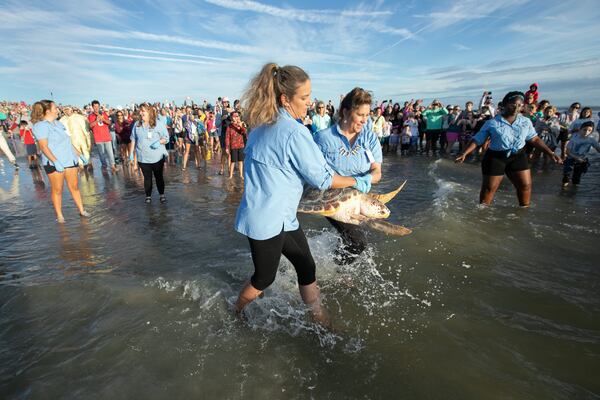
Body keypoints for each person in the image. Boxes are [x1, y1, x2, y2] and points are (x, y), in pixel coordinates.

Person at [233, 63, 364, 322]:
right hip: (267, 220)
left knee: (306, 265)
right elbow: (323, 178)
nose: (310, 102)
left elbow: (286, 173)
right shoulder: (294, 132)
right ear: (285, 99)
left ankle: (319, 318)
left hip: (279, 215)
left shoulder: (259, 128)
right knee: (264, 278)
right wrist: (359, 182)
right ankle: (235, 313)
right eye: (304, 97)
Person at [455, 91, 562, 207]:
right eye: (513, 104)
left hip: (518, 156)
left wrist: (550, 153)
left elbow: (534, 139)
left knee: (525, 186)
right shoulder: (493, 123)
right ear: (505, 105)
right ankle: (482, 213)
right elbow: (477, 139)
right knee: (489, 188)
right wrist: (464, 153)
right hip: (495, 158)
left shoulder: (525, 121)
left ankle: (523, 212)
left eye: (520, 105)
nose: (517, 107)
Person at [313, 87, 382, 265]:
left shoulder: (370, 137)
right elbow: (315, 175)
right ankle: (337, 270)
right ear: (345, 112)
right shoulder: (322, 138)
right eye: (360, 115)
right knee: (358, 242)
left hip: (358, 196)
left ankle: (329, 259)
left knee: (355, 238)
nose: (364, 120)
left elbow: (377, 172)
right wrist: (354, 181)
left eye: (367, 115)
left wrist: (367, 179)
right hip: (331, 198)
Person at [31, 100, 89, 222]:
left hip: (69, 160)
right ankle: (59, 215)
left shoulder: (58, 123)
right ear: (48, 111)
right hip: (54, 163)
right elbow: (43, 146)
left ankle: (81, 210)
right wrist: (55, 161)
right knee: (57, 190)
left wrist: (79, 155)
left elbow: (68, 143)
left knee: (74, 187)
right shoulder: (40, 126)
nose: (58, 110)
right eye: (55, 108)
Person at [129, 104, 169, 204]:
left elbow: (166, 138)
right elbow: (133, 139)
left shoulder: (158, 124)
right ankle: (148, 196)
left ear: (149, 112)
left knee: (158, 176)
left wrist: (159, 142)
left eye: (143, 111)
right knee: (147, 178)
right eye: (140, 111)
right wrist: (131, 154)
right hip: (142, 157)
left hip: (157, 157)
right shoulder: (137, 125)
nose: (141, 113)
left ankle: (162, 195)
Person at [562, 121, 600, 187]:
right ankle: (564, 189)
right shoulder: (574, 139)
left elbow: (598, 149)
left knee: (577, 177)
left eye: (589, 130)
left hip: (582, 161)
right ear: (580, 129)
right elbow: (567, 152)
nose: (586, 132)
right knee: (566, 175)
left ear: (592, 131)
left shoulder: (591, 140)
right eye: (584, 130)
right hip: (570, 159)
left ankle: (574, 192)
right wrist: (576, 158)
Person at [88, 100, 116, 172]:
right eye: (94, 106)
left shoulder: (103, 114)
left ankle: (113, 166)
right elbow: (90, 126)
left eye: (97, 106)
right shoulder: (91, 116)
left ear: (99, 106)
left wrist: (103, 119)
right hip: (98, 138)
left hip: (107, 137)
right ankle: (104, 165)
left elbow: (109, 123)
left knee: (110, 153)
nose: (96, 108)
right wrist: (96, 120)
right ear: (92, 107)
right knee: (101, 154)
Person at [224, 111, 247, 179]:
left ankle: (241, 175)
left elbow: (245, 133)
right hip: (233, 146)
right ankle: (230, 175)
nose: (236, 118)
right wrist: (227, 147)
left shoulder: (242, 124)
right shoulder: (230, 126)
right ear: (231, 117)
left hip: (241, 145)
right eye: (234, 116)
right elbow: (227, 137)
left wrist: (240, 125)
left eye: (237, 116)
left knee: (240, 161)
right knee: (233, 161)